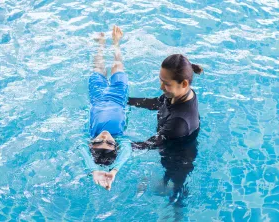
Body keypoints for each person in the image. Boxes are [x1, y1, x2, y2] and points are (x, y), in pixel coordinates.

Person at [128, 54, 203, 201]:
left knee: (177, 189)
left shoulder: (179, 122)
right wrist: (125, 100)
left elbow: (149, 144)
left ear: (184, 84)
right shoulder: (177, 94)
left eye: (166, 83)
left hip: (178, 160)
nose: (161, 87)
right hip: (171, 143)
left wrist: (116, 147)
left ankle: (177, 209)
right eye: (161, 81)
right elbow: (156, 103)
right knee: (165, 182)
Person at [80, 26, 131, 191]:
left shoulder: (89, 136)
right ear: (115, 145)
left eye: (99, 141)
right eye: (109, 142)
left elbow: (83, 151)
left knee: (99, 69)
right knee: (117, 65)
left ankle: (101, 45)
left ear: (92, 143)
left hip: (97, 97)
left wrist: (94, 169)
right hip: (118, 97)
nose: (104, 136)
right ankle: (116, 43)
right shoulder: (120, 138)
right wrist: (115, 170)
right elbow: (126, 152)